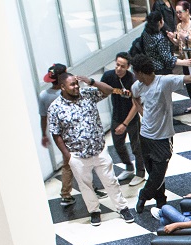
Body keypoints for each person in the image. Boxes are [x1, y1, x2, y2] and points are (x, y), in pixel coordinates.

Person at [124, 53, 191, 213]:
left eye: (135, 72)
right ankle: (160, 201)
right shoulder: (137, 86)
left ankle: (143, 195)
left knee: (158, 173)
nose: (135, 76)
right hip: (145, 136)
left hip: (163, 138)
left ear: (141, 72)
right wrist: (142, 112)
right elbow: (134, 97)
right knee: (152, 172)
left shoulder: (164, 81)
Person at [47, 73, 135, 227]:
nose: (76, 87)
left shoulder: (87, 94)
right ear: (62, 87)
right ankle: (94, 211)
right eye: (72, 85)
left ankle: (122, 208)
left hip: (99, 149)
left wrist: (92, 81)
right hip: (77, 155)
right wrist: (67, 156)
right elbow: (56, 134)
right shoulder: (55, 108)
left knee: (110, 181)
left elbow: (109, 91)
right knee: (85, 185)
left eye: (76, 83)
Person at [39, 63, 81, 207]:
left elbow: (43, 117)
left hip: (61, 136)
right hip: (76, 132)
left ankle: (66, 194)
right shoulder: (68, 92)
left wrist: (44, 134)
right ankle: (87, 188)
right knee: (85, 161)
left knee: (67, 164)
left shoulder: (44, 95)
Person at [101, 52, 146, 187]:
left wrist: (125, 123)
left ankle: (140, 173)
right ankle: (128, 167)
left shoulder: (133, 81)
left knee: (137, 147)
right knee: (118, 145)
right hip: (117, 115)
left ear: (128, 67)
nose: (119, 69)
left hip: (131, 118)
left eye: (122, 66)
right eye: (117, 65)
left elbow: (136, 105)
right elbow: (101, 88)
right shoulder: (109, 76)